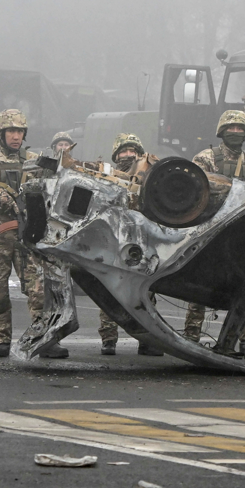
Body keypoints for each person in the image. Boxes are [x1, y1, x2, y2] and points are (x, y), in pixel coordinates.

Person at [0, 109, 68, 359]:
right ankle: (1, 340)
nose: (16, 136)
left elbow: (57, 186)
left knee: (39, 291)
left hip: (28, 236)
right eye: (11, 131)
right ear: (1, 133)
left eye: (19, 131)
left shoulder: (34, 160)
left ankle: (45, 339)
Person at [183, 110, 245, 355]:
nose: (235, 133)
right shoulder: (205, 158)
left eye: (240, 129)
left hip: (243, 235)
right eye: (230, 128)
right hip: (210, 230)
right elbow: (195, 192)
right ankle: (191, 335)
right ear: (221, 131)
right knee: (199, 285)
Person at [98, 133, 163, 356]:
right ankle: (108, 339)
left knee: (146, 291)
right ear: (116, 155)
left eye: (132, 151)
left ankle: (148, 340)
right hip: (113, 240)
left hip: (142, 240)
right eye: (124, 151)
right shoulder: (105, 176)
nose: (128, 155)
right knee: (109, 288)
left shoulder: (149, 175)